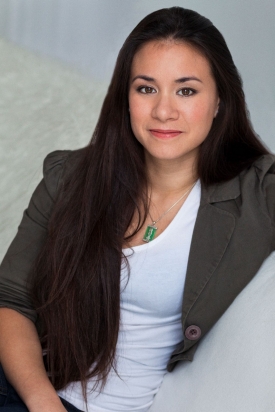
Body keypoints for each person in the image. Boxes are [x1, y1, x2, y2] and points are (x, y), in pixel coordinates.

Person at [0, 6, 274, 412]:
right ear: (125, 97)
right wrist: (44, 404)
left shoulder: (258, 191)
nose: (164, 111)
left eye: (186, 90)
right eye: (146, 88)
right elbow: (11, 301)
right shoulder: (69, 176)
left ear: (219, 101)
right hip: (26, 391)